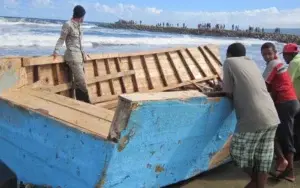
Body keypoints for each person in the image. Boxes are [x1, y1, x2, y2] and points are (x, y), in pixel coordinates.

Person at [223, 43, 280, 188]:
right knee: (264, 158)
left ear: (229, 54)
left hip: (254, 118)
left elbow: (228, 92)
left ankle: (255, 180)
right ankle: (259, 184)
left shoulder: (229, 62)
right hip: (272, 116)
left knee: (236, 152)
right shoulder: (252, 62)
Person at [261, 42, 299, 182]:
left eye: (269, 53)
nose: (267, 56)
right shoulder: (279, 64)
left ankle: (289, 171)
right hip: (291, 102)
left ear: (275, 52)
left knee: (283, 136)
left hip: (285, 103)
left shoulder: (274, 64)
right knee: (276, 133)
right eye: (264, 54)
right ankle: (282, 163)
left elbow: (262, 85)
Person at [52, 5, 91, 103]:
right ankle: (87, 104)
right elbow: (61, 39)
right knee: (81, 82)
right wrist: (56, 52)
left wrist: (84, 54)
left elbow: (80, 43)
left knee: (78, 82)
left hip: (80, 57)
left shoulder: (79, 26)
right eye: (83, 16)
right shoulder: (68, 25)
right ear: (80, 16)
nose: (83, 18)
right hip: (72, 57)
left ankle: (80, 103)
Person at [283, 43, 300, 161]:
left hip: (297, 100)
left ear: (292, 54)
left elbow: (287, 82)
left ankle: (295, 155)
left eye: (285, 55)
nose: (284, 58)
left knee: (294, 129)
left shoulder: (294, 63)